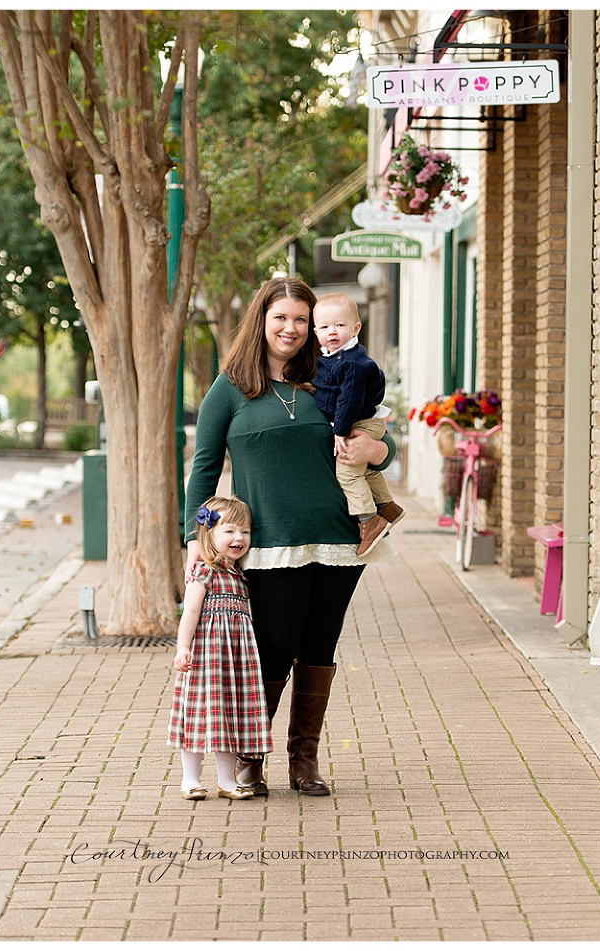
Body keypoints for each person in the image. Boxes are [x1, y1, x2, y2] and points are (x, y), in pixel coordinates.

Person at [183, 277, 398, 797]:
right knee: (273, 648)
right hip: (268, 544)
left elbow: (375, 439)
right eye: (281, 317)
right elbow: (205, 468)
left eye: (301, 319)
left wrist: (378, 451)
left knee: (319, 646)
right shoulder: (230, 388)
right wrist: (198, 540)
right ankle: (252, 756)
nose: (292, 328)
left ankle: (304, 759)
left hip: (338, 538)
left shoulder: (330, 376)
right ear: (261, 320)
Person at [167, 495, 271, 802]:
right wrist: (182, 648)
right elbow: (191, 612)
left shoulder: (241, 577)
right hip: (205, 659)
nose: (239, 538)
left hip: (234, 661)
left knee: (230, 717)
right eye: (229, 531)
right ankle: (190, 779)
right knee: (198, 715)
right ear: (209, 535)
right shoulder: (204, 572)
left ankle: (227, 780)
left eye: (245, 531)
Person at [312, 292, 406, 556]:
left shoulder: (353, 363)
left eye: (340, 326)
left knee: (348, 472)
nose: (332, 332)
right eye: (325, 327)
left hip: (360, 423)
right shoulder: (330, 357)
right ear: (315, 330)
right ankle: (387, 506)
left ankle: (369, 520)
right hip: (360, 421)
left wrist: (339, 431)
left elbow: (349, 401)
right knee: (365, 472)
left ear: (356, 328)